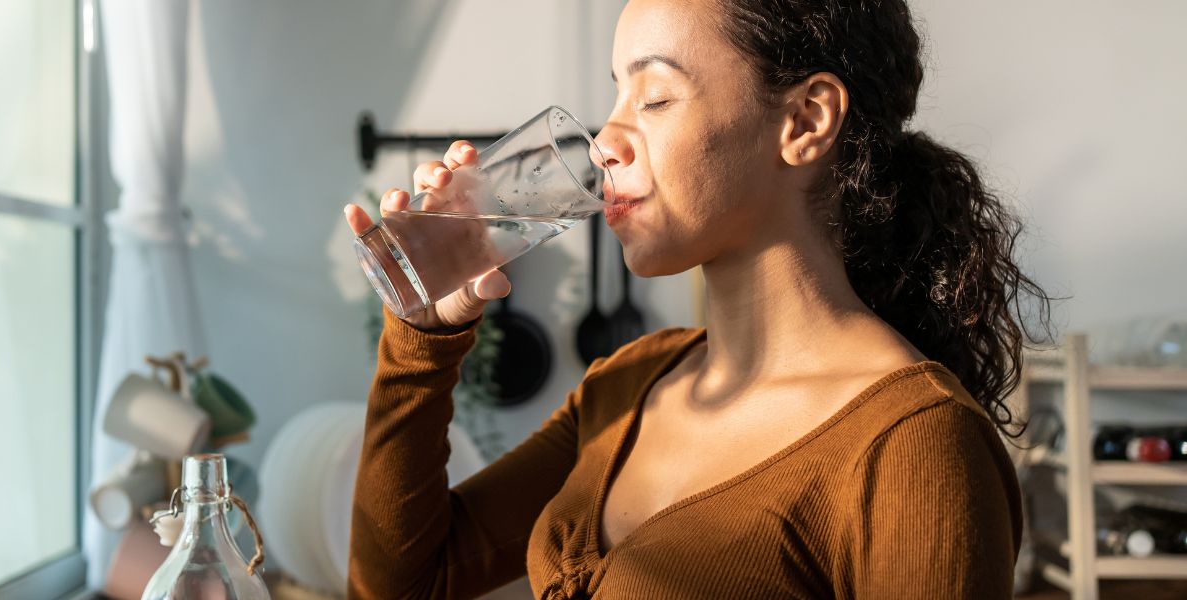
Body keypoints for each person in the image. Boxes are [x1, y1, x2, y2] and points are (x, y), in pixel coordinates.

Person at [340, 0, 1051, 597]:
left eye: (653, 97)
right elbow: (403, 584)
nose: (603, 143)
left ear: (804, 121)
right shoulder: (628, 383)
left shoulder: (912, 447)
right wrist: (420, 339)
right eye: (616, 92)